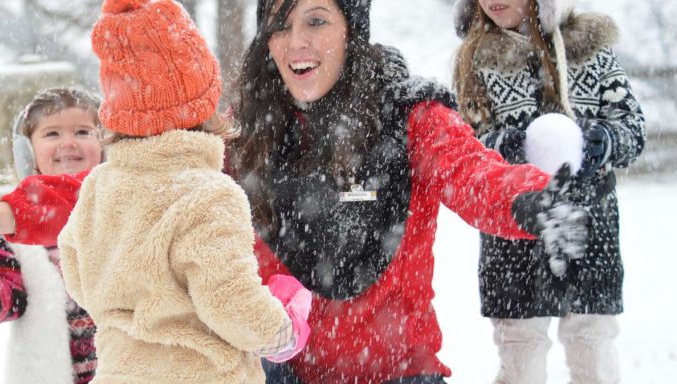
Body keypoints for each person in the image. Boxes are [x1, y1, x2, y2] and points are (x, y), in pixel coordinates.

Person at [229, 0, 589, 383]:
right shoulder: (248, 132)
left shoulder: (407, 114)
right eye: (279, 26)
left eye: (316, 21)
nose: (295, 42)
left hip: (401, 372)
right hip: (281, 373)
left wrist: (526, 198)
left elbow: (471, 172)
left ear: (352, 30)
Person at [56, 0, 312, 383]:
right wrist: (280, 329)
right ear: (202, 106)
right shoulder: (208, 195)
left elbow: (77, 273)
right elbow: (230, 302)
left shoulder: (98, 187)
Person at [452, 0, 645, 382]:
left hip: (588, 220)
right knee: (520, 351)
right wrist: (506, 145)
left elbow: (632, 126)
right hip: (514, 222)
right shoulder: (477, 59)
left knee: (593, 345)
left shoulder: (588, 48)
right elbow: (465, 145)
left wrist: (604, 141)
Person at [0, 87, 104, 384]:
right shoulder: (14, 229)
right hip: (48, 372)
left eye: (83, 132)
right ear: (26, 152)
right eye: (52, 134)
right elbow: (12, 299)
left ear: (105, 144)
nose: (68, 142)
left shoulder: (120, 208)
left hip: (126, 368)